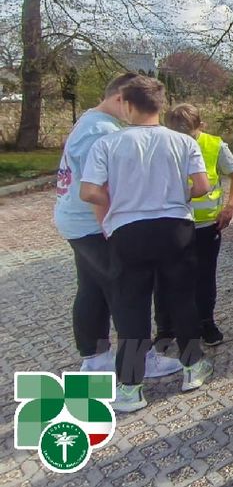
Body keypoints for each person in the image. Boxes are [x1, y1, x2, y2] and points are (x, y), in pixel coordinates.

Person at [79, 76, 214, 412]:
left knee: (131, 306)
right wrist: (178, 195)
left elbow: (89, 191)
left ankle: (130, 386)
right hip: (175, 228)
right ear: (160, 105)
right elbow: (202, 186)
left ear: (126, 103)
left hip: (129, 230)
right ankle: (193, 367)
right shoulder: (182, 142)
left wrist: (118, 203)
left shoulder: (107, 144)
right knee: (181, 298)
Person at [56, 73, 181, 378]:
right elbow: (99, 189)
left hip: (79, 223)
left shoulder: (92, 121)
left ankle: (95, 357)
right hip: (96, 225)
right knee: (128, 292)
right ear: (120, 99)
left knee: (93, 288)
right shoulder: (101, 131)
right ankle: (140, 360)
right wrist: (112, 231)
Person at [161, 103, 233, 347]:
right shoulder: (161, 144)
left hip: (206, 224)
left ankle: (206, 322)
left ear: (200, 126)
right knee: (166, 276)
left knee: (204, 276)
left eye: (189, 134)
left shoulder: (214, 145)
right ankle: (166, 327)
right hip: (171, 223)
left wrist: (229, 207)